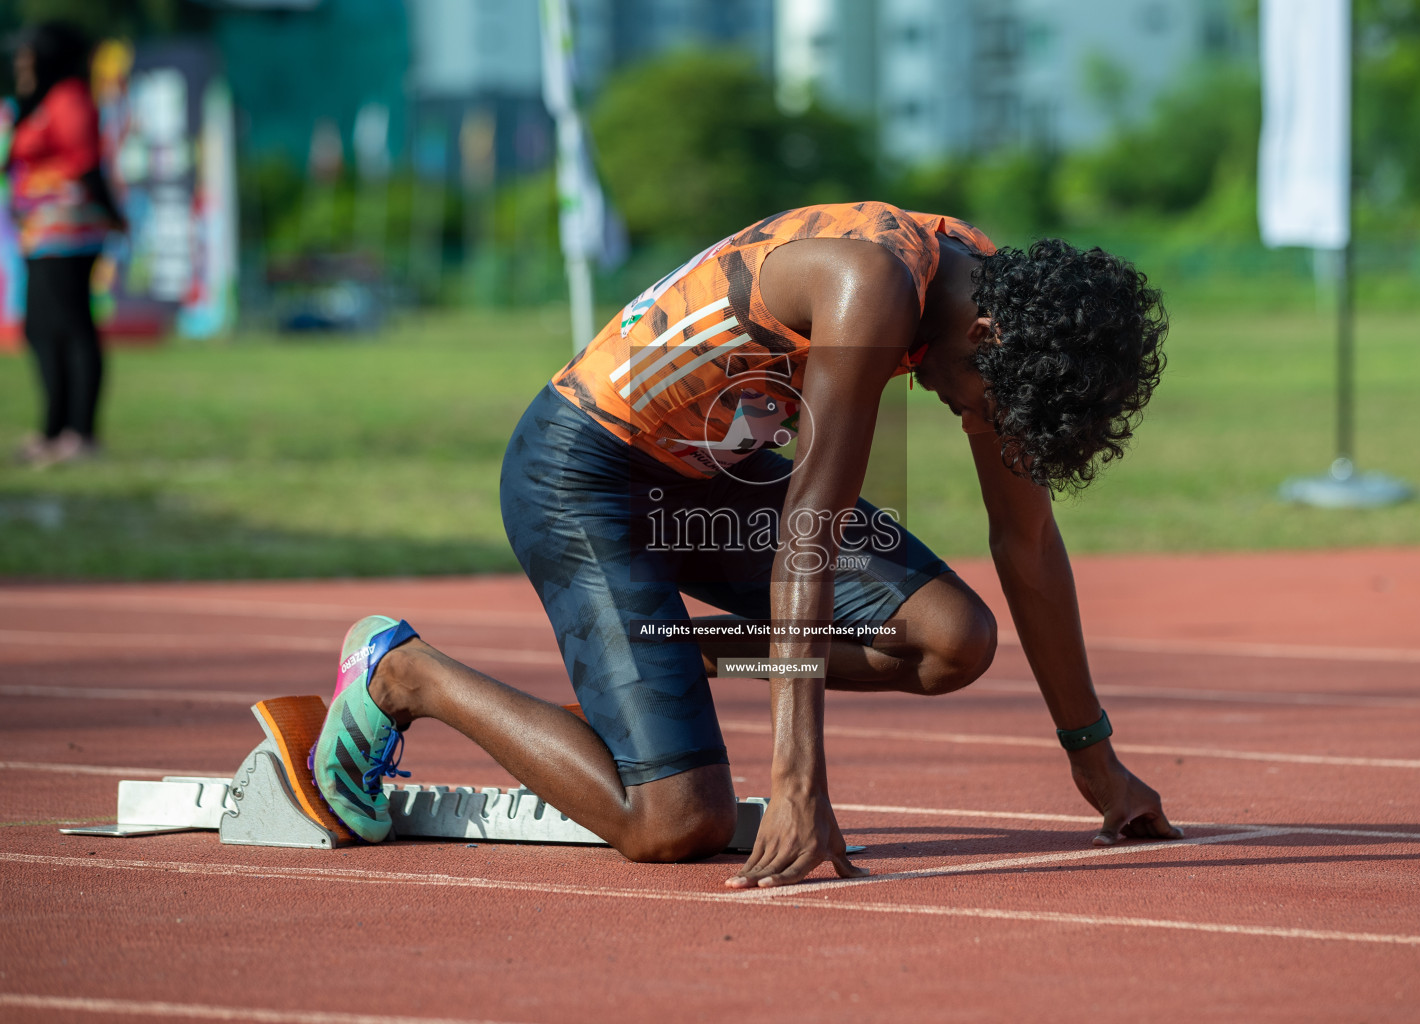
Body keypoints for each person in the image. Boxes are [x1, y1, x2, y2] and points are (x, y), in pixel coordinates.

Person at [313, 202, 1181, 888]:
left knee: (956, 641)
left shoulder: (994, 303)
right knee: (676, 824)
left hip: (710, 475)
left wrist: (1095, 761)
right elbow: (810, 532)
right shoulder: (869, 284)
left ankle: (661, 665)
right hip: (582, 474)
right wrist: (799, 786)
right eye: (988, 409)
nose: (974, 421)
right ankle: (404, 671)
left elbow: (1025, 541)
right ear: (987, 341)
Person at [5, 21, 122, 466]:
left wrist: (116, 218)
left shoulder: (70, 99)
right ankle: (54, 429)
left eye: (28, 55)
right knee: (40, 329)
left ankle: (80, 432)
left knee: (71, 327)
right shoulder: (35, 104)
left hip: (70, 232)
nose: (21, 63)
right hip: (39, 232)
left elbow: (89, 167)